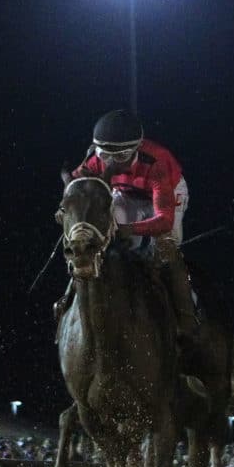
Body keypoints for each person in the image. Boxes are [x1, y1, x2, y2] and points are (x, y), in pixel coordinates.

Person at [56, 109, 197, 345]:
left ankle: (188, 320)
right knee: (101, 240)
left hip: (167, 195)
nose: (110, 163)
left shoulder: (157, 163)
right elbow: (74, 186)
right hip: (125, 193)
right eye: (104, 155)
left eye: (120, 157)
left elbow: (163, 220)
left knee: (165, 249)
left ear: (137, 148)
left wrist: (128, 229)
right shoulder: (94, 161)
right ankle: (68, 299)